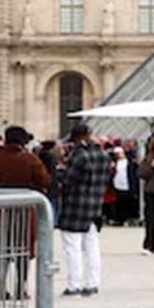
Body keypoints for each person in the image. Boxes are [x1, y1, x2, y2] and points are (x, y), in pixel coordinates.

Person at [0, 125, 50, 300]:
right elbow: (45, 180)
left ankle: (1, 286)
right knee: (23, 249)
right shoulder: (30, 159)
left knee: (2, 248)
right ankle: (21, 287)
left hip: (3, 210)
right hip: (25, 210)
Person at [56, 123, 110, 297]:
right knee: (92, 247)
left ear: (77, 139)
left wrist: (60, 172)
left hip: (75, 206)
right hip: (94, 205)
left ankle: (74, 285)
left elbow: (68, 181)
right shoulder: (103, 155)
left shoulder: (79, 156)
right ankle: (92, 284)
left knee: (72, 248)